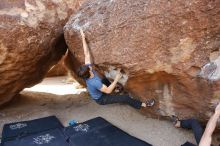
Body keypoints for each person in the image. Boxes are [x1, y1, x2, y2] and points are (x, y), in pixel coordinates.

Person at [77, 28, 155, 109]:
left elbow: (86, 54)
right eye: (87, 67)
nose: (88, 65)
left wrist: (83, 38)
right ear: (89, 71)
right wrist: (116, 79)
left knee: (104, 80)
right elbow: (108, 91)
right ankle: (145, 105)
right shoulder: (94, 82)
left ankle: (117, 90)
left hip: (101, 88)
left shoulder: (88, 71)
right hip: (101, 98)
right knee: (125, 98)